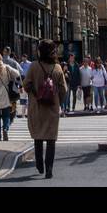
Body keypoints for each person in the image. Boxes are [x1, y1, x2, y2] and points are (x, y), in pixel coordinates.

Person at [24, 39, 67, 179]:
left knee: (38, 136)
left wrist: (33, 91)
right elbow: (63, 89)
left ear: (40, 51)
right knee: (51, 139)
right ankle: (49, 169)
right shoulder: (57, 68)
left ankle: (39, 164)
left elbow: (26, 84)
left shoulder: (34, 66)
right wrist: (58, 101)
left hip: (37, 106)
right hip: (52, 108)